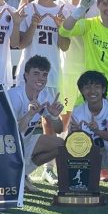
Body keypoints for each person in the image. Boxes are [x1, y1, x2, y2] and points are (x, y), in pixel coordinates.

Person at [7, 55, 65, 191]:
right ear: (26, 75)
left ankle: (23, 174)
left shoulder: (45, 95)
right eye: (36, 73)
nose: (41, 78)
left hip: (25, 142)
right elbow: (10, 132)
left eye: (44, 75)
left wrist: (55, 117)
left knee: (61, 145)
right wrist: (30, 114)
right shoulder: (14, 96)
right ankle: (11, 174)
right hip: (9, 146)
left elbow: (59, 129)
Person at [69, 69, 108, 197]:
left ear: (103, 89)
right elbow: (70, 145)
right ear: (82, 91)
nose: (92, 91)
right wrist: (75, 133)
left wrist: (97, 131)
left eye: (97, 87)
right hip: (90, 156)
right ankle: (85, 180)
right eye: (87, 87)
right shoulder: (78, 111)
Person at [16, 0, 66, 91]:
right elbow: (20, 44)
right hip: (27, 76)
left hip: (52, 76)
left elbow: (65, 47)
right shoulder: (27, 9)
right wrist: (33, 25)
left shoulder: (62, 11)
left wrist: (60, 27)